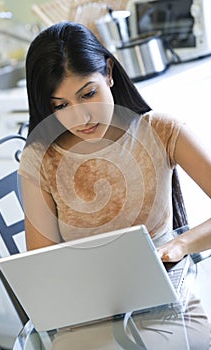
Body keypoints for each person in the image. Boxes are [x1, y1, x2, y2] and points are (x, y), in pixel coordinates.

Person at [18, 22, 211, 349]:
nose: (81, 118)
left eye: (88, 94)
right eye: (61, 106)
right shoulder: (40, 159)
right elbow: (43, 264)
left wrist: (180, 245)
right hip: (88, 306)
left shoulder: (160, 130)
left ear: (108, 73)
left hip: (168, 289)